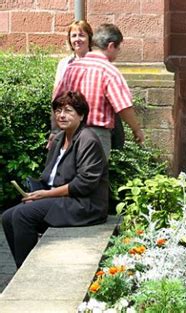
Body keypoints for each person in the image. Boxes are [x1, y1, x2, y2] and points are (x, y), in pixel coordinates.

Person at [2, 91, 109, 268]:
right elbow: (49, 176)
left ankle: (28, 272)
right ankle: (22, 267)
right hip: (59, 199)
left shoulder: (88, 140)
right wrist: (35, 193)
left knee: (22, 215)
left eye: (68, 111)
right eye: (58, 110)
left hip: (84, 204)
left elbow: (85, 183)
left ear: (81, 115)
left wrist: (45, 195)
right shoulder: (59, 139)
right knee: (7, 217)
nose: (62, 115)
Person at [53, 23, 144, 158]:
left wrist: (56, 131)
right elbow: (123, 106)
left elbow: (57, 101)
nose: (118, 53)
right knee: (94, 176)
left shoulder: (71, 67)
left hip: (71, 132)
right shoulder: (108, 70)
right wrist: (136, 129)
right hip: (96, 135)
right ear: (111, 46)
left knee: (71, 175)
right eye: (118, 49)